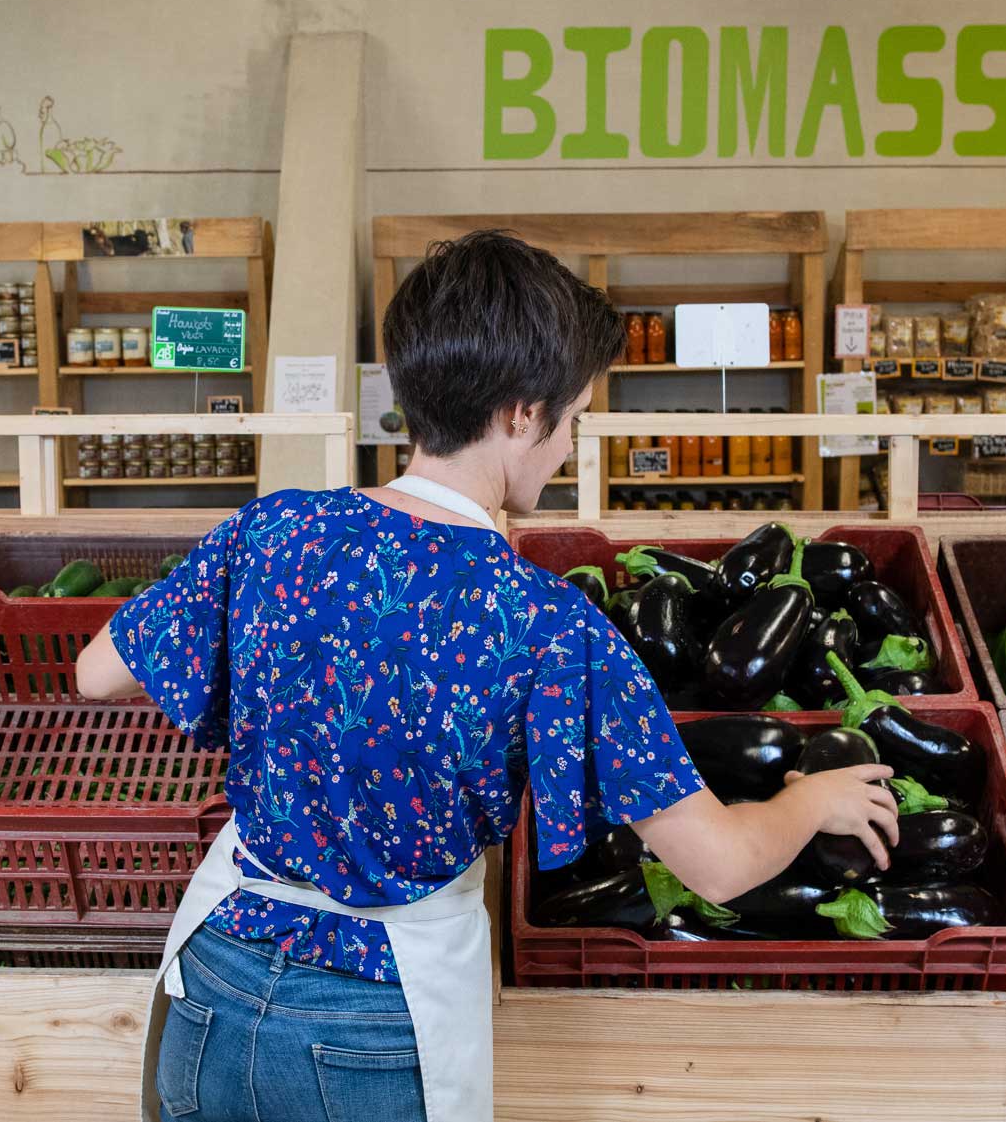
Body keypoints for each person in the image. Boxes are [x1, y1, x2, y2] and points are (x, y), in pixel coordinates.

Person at [75, 230, 897, 1122]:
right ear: (518, 412)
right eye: (572, 418)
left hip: (211, 986)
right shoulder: (546, 623)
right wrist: (812, 800)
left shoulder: (274, 531)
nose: (569, 446)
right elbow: (721, 866)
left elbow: (95, 673)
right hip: (373, 1030)